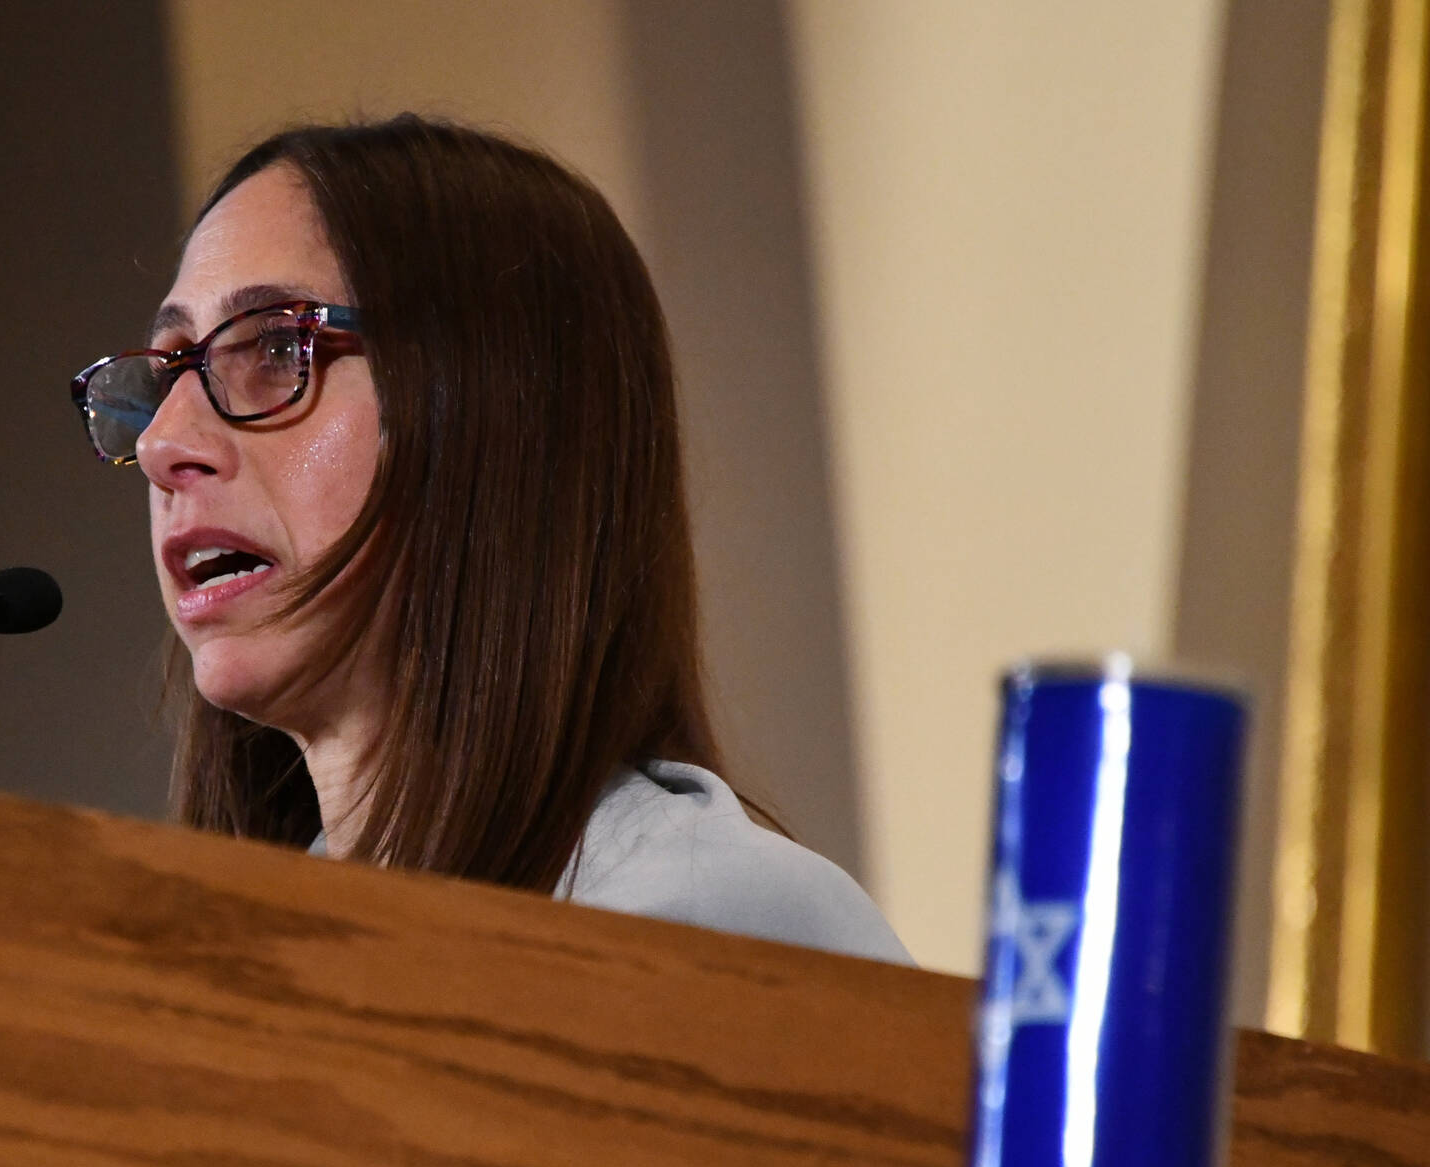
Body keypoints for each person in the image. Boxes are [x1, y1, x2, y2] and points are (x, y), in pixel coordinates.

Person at [71, 116, 909, 964]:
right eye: (168, 368)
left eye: (278, 348)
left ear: (493, 414)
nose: (162, 443)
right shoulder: (256, 952)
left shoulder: (709, 919)